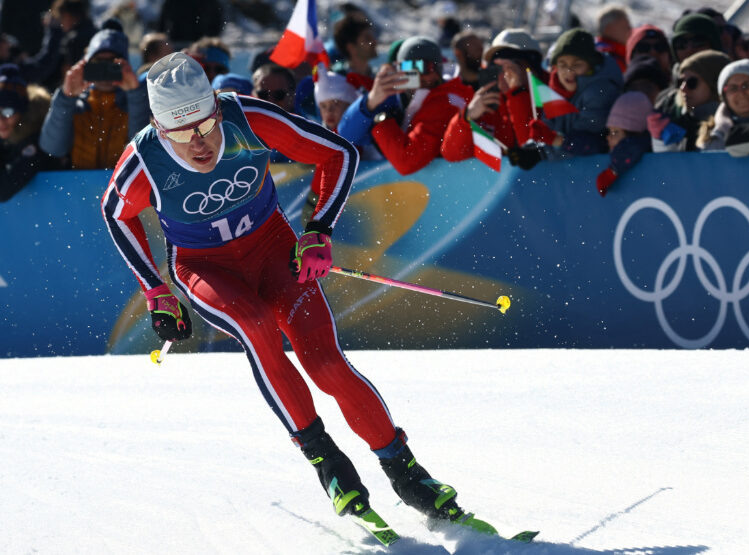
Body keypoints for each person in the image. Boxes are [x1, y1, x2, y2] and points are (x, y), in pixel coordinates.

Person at [101, 52, 483, 537]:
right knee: (256, 326)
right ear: (158, 127)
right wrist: (157, 290)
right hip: (206, 269)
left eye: (206, 124)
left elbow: (339, 153)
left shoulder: (246, 117)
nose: (198, 142)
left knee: (326, 364)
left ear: (216, 106)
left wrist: (319, 230)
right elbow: (115, 213)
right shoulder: (144, 160)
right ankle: (327, 462)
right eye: (181, 133)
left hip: (274, 250)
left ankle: (406, 472)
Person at [340, 36, 472, 175]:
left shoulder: (447, 101)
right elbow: (346, 137)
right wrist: (370, 102)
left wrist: (381, 123)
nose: (417, 75)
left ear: (438, 71)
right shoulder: (394, 96)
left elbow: (407, 162)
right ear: (398, 69)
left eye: (424, 67)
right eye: (408, 68)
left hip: (444, 182)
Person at [38, 20, 149, 169]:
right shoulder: (75, 106)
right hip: (78, 181)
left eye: (112, 63)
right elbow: (52, 148)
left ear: (125, 65)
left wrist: (135, 94)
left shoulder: (138, 102)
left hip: (123, 181)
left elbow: (144, 150)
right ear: (86, 64)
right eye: (98, 62)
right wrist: (66, 97)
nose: (104, 70)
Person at [441, 28, 545, 169]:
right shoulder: (491, 104)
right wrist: (467, 117)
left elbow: (530, 151)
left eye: (512, 66)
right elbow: (452, 154)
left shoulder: (551, 97)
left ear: (532, 68)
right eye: (498, 67)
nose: (506, 74)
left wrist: (518, 95)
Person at [522, 28, 624, 157]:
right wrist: (534, 148)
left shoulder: (599, 92)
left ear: (590, 66)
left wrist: (545, 150)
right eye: (563, 65)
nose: (569, 71)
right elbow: (550, 129)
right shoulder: (556, 89)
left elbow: (588, 143)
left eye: (577, 65)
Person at [649, 50, 730, 152]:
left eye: (692, 82)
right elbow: (669, 161)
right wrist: (659, 140)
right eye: (680, 82)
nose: (683, 89)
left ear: (715, 84)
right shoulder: (677, 122)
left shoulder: (734, 123)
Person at [0, 64, 59, 202]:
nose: (1, 121)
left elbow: (3, 190)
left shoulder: (37, 141)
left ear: (22, 112)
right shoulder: (6, 140)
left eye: (8, 112)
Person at [697, 59, 749, 150]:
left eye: (747, 85)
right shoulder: (713, 136)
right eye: (733, 88)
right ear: (724, 97)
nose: (741, 93)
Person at [595, 91, 652, 196]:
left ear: (632, 135)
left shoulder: (637, 145)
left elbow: (633, 147)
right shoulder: (606, 148)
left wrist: (612, 172)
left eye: (615, 132)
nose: (608, 137)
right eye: (609, 132)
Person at [331, 13, 378, 92]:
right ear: (351, 47)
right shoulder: (336, 80)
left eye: (372, 37)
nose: (374, 42)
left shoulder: (377, 78)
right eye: (367, 38)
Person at [595, 4, 632, 71]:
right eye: (625, 27)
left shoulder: (620, 53)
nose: (630, 30)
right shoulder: (604, 57)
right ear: (609, 29)